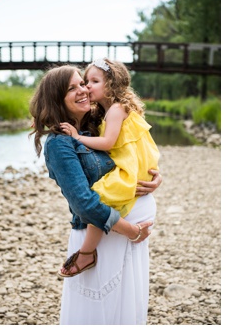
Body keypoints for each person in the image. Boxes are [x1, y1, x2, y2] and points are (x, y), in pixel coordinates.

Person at [29, 64, 160, 325]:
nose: (84, 90)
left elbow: (129, 156)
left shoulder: (93, 128)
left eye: (84, 83)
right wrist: (130, 230)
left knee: (124, 311)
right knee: (97, 315)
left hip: (124, 236)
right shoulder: (60, 144)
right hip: (108, 235)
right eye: (72, 87)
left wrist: (153, 177)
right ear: (56, 99)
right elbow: (84, 204)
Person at [57, 58, 160, 278]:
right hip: (134, 164)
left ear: (111, 84)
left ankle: (86, 253)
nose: (87, 87)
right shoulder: (106, 112)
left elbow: (108, 144)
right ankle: (87, 252)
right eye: (86, 81)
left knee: (100, 197)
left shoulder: (116, 109)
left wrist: (76, 137)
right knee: (102, 199)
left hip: (130, 166)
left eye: (94, 81)